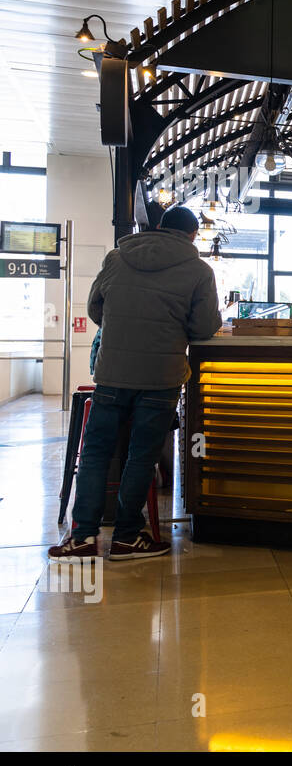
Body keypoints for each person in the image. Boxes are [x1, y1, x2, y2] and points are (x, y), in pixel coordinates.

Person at [48, 206, 221, 562]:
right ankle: (127, 537)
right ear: (192, 236)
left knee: (95, 454)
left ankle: (82, 538)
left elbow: (96, 308)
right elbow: (204, 329)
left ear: (158, 227)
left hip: (112, 372)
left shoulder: (117, 257)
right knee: (140, 456)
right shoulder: (199, 271)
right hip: (161, 378)